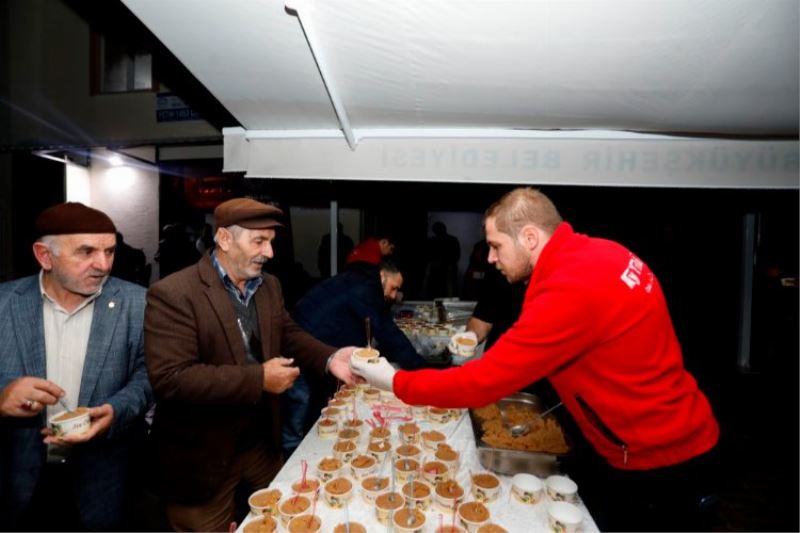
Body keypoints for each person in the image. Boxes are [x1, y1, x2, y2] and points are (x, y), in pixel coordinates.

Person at [352, 187, 721, 531]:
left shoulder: (570, 287)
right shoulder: (600, 252)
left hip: (659, 457)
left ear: (530, 237)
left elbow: (483, 382)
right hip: (667, 432)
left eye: (496, 245)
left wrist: (394, 381)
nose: (490, 257)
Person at [144, 197, 358, 532]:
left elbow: (286, 332)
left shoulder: (268, 286)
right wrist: (258, 378)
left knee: (283, 520)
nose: (269, 253)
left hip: (260, 444)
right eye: (259, 241)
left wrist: (330, 358)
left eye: (271, 242)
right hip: (203, 456)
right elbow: (172, 379)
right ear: (225, 239)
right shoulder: (174, 293)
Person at [0, 202, 153, 531]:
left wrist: (117, 410)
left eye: (110, 251)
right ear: (44, 255)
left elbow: (149, 374)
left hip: (105, 478)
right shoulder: (4, 304)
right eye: (86, 252)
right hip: (19, 479)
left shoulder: (139, 303)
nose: (103, 264)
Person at [282, 259, 427, 455]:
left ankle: (304, 447)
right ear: (383, 276)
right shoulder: (368, 289)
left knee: (310, 403)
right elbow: (389, 335)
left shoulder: (359, 278)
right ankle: (291, 457)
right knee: (300, 404)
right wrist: (423, 372)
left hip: (310, 334)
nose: (393, 296)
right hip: (300, 344)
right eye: (393, 288)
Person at [421, 221, 461, 298]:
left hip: (446, 269)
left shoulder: (433, 241)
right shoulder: (451, 240)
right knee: (439, 291)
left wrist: (442, 262)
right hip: (439, 270)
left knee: (446, 291)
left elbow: (456, 256)